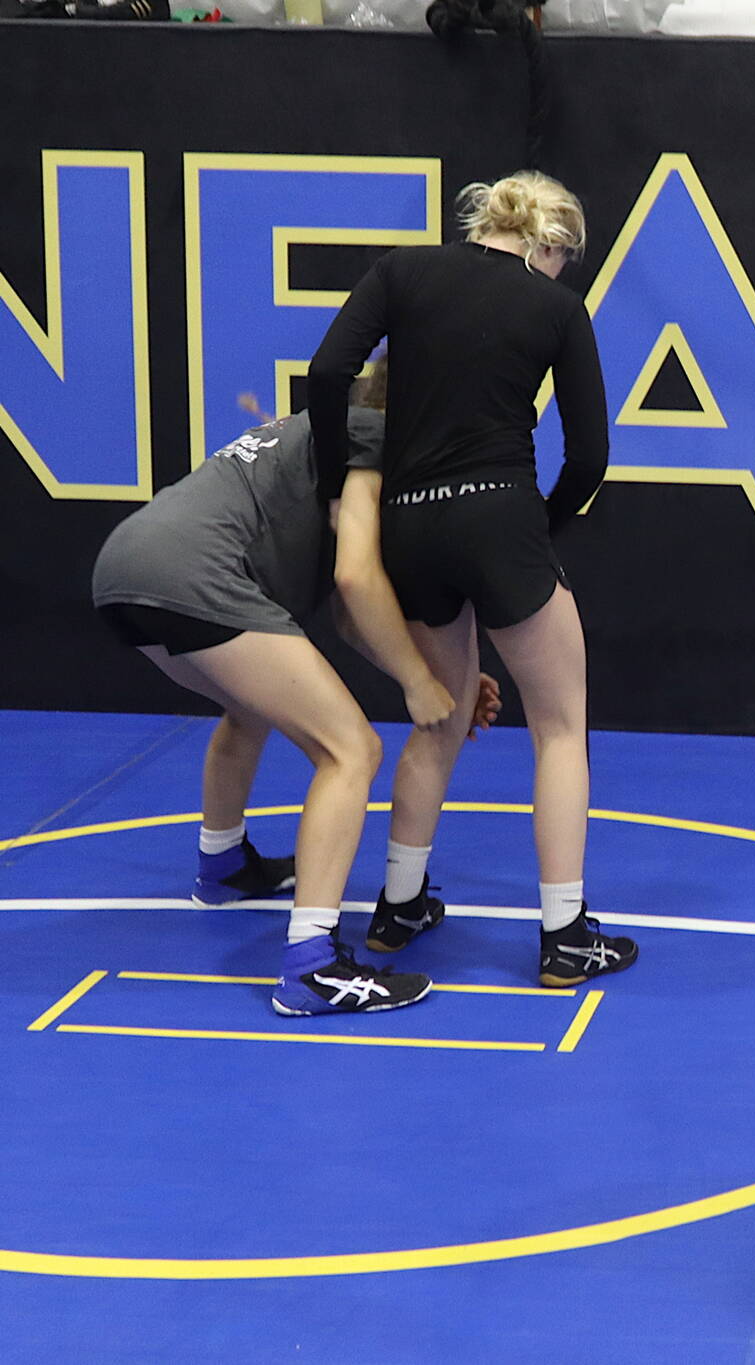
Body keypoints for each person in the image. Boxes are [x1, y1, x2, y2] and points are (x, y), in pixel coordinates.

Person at [306, 169, 636, 989]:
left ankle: (398, 904)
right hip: (500, 515)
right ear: (548, 244)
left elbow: (326, 372)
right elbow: (590, 454)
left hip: (410, 518)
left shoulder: (403, 270)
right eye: (565, 258)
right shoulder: (556, 305)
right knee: (560, 726)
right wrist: (536, 530)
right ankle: (565, 935)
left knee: (438, 717)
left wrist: (329, 481)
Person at [92, 362, 460, 1016]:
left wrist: (433, 672)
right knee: (352, 749)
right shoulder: (370, 431)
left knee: (249, 703)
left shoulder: (318, 431)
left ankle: (223, 864)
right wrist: (418, 680)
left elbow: (351, 619)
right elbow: (354, 580)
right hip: (192, 573)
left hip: (124, 564)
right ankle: (311, 967)